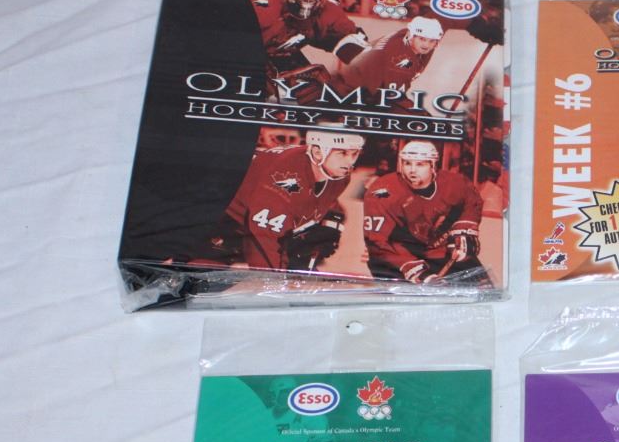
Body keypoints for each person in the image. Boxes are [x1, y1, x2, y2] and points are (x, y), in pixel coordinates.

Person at [209, 125, 365, 270]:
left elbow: (321, 206)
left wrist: (322, 228)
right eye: (342, 153)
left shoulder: (339, 175)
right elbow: (262, 237)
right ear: (318, 152)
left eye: (355, 154)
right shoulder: (284, 174)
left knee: (328, 224)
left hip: (254, 217)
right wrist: (277, 278)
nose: (350, 161)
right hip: (216, 214)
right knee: (208, 270)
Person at [361, 140, 490, 286]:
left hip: (442, 251)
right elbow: (377, 241)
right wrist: (416, 271)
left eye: (420, 164)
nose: (412, 170)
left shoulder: (454, 183)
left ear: (433, 166)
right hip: (398, 258)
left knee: (484, 291)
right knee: (413, 298)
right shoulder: (383, 191)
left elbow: (471, 201)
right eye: (407, 163)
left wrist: (464, 232)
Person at [247, 0, 369, 74]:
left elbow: (351, 44)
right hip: (250, 56)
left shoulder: (326, 11)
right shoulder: (260, 7)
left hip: (285, 55)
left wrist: (365, 62)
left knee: (314, 86)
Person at [339, 16, 444, 94]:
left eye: (432, 41)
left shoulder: (406, 36)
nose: (426, 45)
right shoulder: (399, 58)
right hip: (357, 90)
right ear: (410, 36)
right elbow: (393, 97)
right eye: (422, 39)